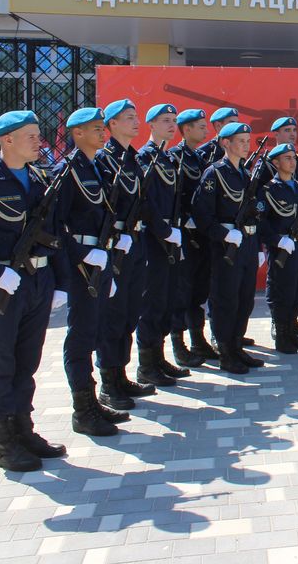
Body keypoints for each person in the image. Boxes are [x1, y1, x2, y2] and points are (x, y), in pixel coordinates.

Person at [0, 110, 67, 471]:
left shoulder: (41, 178)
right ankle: (4, 441)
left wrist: (61, 283)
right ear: (7, 140)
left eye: (38, 134)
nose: (39, 141)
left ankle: (24, 429)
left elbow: (55, 234)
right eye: (31, 136)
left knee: (28, 360)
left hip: (38, 280)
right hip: (2, 285)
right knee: (0, 362)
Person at [54, 107, 127, 436]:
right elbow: (56, 226)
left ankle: (94, 402)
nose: (102, 133)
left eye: (102, 127)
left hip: (100, 257)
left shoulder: (97, 166)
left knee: (96, 330)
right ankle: (82, 410)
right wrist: (84, 255)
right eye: (96, 128)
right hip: (82, 263)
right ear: (77, 133)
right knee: (81, 336)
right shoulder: (67, 171)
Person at [94, 100, 157, 408]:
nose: (136, 122)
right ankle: (108, 382)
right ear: (112, 124)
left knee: (131, 311)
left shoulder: (132, 159)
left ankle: (121, 374)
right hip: (116, 246)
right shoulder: (104, 160)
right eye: (129, 118)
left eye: (136, 117)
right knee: (113, 314)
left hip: (135, 243)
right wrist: (115, 239)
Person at [192, 121, 263, 373]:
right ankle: (225, 352)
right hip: (226, 247)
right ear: (225, 143)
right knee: (226, 299)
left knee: (245, 299)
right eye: (240, 141)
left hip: (247, 243)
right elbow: (202, 215)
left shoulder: (245, 174)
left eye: (247, 141)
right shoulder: (214, 173)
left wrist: (258, 245)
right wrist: (224, 234)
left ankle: (236, 346)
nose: (245, 145)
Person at [135, 103, 190, 388]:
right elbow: (145, 202)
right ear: (151, 125)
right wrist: (165, 231)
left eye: (174, 120)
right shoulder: (144, 158)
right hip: (154, 238)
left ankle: (158, 357)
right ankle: (146, 365)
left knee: (168, 299)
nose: (171, 125)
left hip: (171, 236)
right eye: (165, 120)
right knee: (152, 301)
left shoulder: (167, 158)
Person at [169, 108, 219, 364]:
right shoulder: (174, 157)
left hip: (202, 234)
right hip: (185, 236)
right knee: (182, 291)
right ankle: (178, 344)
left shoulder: (199, 158)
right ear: (186, 129)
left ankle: (198, 340)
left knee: (199, 290)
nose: (205, 130)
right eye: (200, 126)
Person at [257, 143, 298, 352]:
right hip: (282, 249)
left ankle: (291, 331)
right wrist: (276, 240)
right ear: (276, 162)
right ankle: (281, 336)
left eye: (294, 158)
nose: (292, 162)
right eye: (287, 158)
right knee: (283, 292)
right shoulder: (268, 191)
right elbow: (261, 222)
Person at [264, 116, 298, 186]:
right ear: (276, 134)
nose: (292, 134)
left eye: (294, 130)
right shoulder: (267, 161)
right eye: (287, 130)